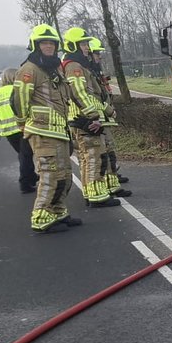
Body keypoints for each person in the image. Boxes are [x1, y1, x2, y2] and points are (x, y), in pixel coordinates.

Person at [12, 24, 82, 234]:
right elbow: (19, 100)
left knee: (65, 175)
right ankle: (42, 217)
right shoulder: (29, 69)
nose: (49, 46)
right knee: (50, 175)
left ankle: (58, 212)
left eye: (52, 43)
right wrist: (23, 124)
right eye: (44, 42)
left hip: (59, 130)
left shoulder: (55, 67)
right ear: (35, 45)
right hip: (42, 132)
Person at [61, 27, 121, 208]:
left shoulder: (78, 65)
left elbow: (93, 94)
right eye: (83, 43)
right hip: (84, 120)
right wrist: (94, 116)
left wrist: (104, 111)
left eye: (87, 43)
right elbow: (79, 93)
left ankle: (94, 192)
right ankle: (96, 196)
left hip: (84, 118)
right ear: (74, 45)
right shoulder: (74, 66)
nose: (87, 47)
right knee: (94, 158)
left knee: (92, 158)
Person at [85, 37, 131, 195]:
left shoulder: (93, 70)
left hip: (102, 117)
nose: (99, 57)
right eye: (97, 53)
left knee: (109, 149)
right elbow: (90, 96)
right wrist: (106, 109)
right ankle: (106, 185)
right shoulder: (85, 71)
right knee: (101, 155)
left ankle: (112, 182)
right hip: (96, 118)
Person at [0, 67, 37, 193]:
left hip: (8, 132)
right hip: (23, 128)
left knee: (24, 155)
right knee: (26, 156)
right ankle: (25, 183)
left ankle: (32, 177)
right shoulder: (18, 90)